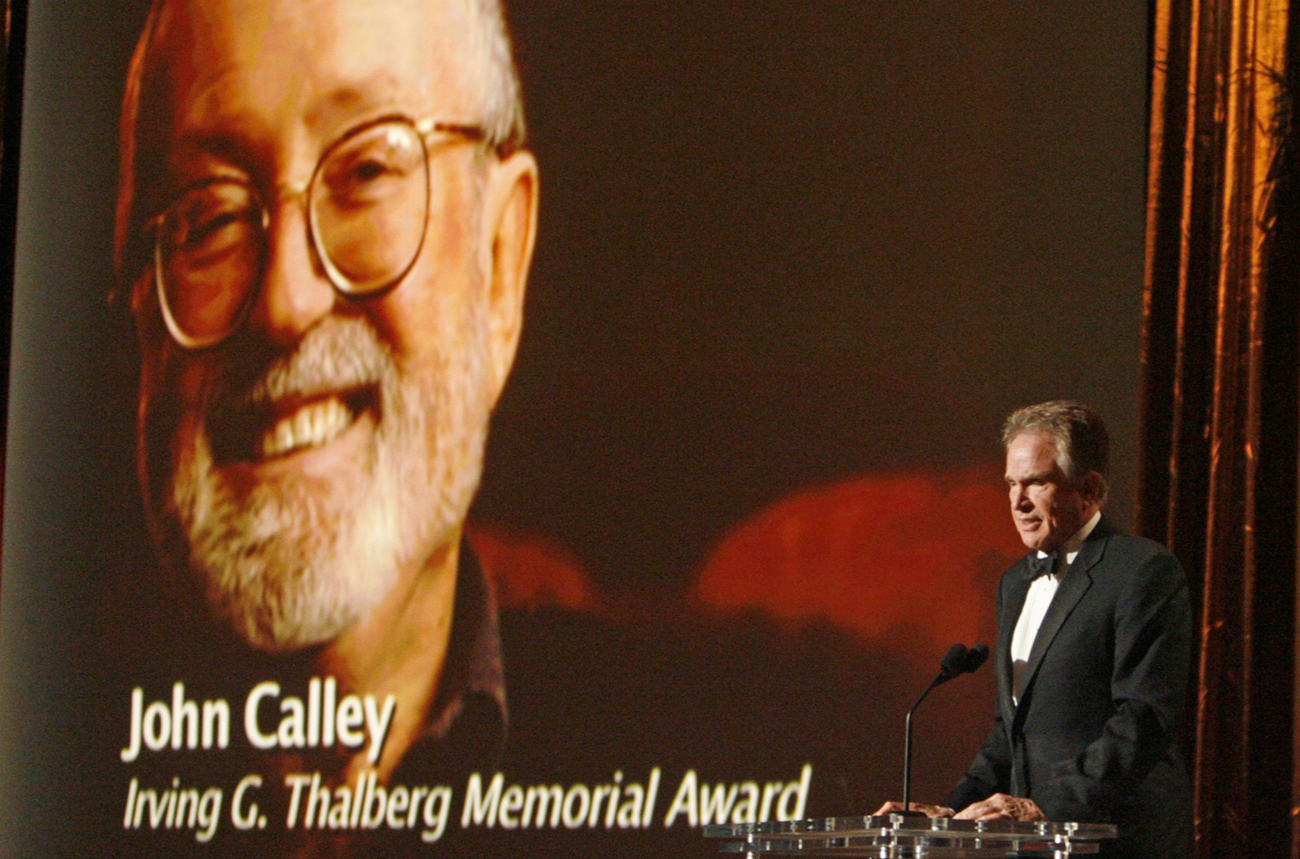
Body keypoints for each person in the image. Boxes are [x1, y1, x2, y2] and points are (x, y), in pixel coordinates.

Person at [112, 0, 537, 851]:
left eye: (367, 171)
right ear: (139, 308)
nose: (285, 300)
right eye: (209, 214)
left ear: (497, 267)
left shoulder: (703, 753)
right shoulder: (38, 757)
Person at [876, 401, 1193, 858]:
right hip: (1036, 845)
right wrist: (949, 814)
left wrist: (1043, 807)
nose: (1017, 501)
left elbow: (1144, 719)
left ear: (1088, 489)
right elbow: (1010, 733)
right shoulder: (1015, 583)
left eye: (1036, 483)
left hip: (1119, 841)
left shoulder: (1142, 570)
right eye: (1011, 483)